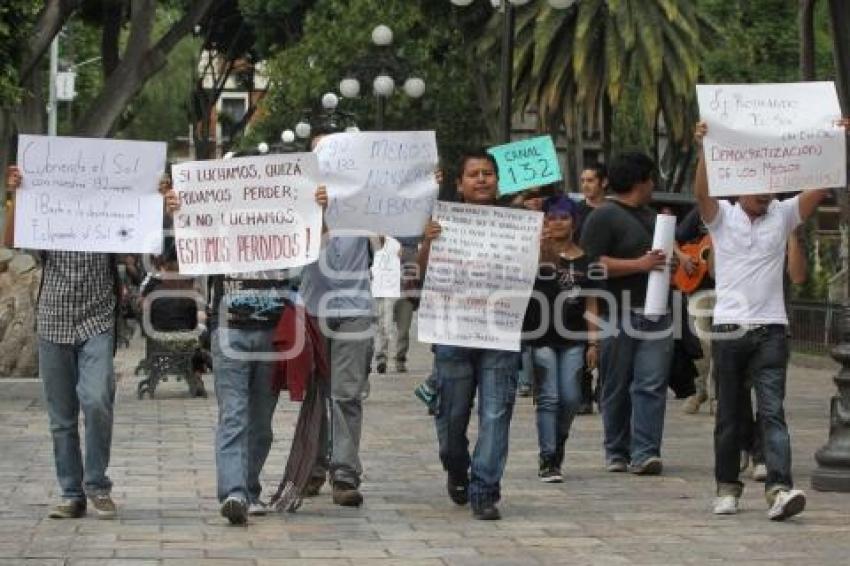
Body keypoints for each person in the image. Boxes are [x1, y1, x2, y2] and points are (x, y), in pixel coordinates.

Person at [3, 164, 179, 520]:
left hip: (97, 319)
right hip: (53, 320)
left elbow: (151, 243)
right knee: (61, 416)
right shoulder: (47, 215)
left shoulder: (108, 216)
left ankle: (97, 484)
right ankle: (71, 492)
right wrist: (16, 196)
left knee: (98, 399)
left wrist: (160, 202)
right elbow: (10, 240)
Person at [693, 119, 847, 519]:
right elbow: (701, 192)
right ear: (740, 185)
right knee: (729, 412)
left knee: (772, 410)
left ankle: (780, 488)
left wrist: (837, 141)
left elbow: (822, 185)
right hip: (729, 330)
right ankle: (727, 486)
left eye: (771, 185)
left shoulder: (783, 214)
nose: (765, 192)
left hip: (771, 331)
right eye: (756, 185)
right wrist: (704, 149)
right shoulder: (722, 217)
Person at [418, 149, 522, 520]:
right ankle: (457, 468)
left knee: (495, 414)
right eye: (474, 173)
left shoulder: (518, 223)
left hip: (500, 336)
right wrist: (428, 241)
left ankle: (485, 490)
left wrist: (542, 249)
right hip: (453, 333)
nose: (482, 179)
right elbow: (424, 272)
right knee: (451, 421)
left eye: (488, 173)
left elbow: (540, 268)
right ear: (459, 184)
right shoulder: (443, 223)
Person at [579, 152, 675, 476]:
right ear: (639, 181)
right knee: (616, 384)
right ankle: (616, 448)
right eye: (650, 178)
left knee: (651, 383)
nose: (653, 185)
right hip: (617, 313)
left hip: (656, 312)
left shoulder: (651, 217)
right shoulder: (603, 216)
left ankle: (646, 450)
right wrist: (638, 265)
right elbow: (591, 264)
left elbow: (660, 256)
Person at [522, 194, 598, 482]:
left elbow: (593, 303)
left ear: (574, 223)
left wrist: (594, 342)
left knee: (570, 397)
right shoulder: (534, 255)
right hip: (540, 335)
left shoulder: (587, 260)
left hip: (574, 338)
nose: (557, 223)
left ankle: (559, 441)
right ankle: (548, 457)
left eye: (563, 218)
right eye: (551, 218)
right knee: (549, 397)